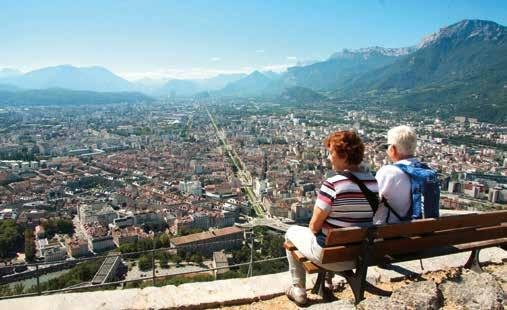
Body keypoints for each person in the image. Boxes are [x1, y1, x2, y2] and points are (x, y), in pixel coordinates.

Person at [285, 130, 378, 306]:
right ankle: (326, 282)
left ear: (343, 155)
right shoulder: (373, 183)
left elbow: (313, 226)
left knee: (291, 232)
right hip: (360, 256)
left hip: (330, 256)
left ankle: (298, 289)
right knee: (330, 232)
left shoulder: (333, 184)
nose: (328, 158)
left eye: (331, 153)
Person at [374, 125, 440, 224]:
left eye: (387, 147)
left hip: (389, 234)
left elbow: (372, 204)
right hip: (419, 232)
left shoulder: (388, 172)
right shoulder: (425, 170)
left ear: (392, 149)